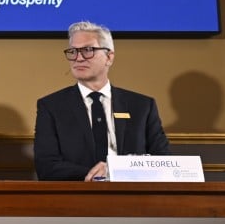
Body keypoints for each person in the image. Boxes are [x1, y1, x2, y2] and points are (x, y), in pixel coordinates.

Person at [33, 21, 169, 181]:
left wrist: (116, 170)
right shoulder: (51, 106)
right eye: (73, 51)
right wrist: (97, 174)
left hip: (134, 197)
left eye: (88, 50)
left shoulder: (142, 106)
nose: (78, 58)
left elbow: (163, 161)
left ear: (109, 57)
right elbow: (46, 166)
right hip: (77, 196)